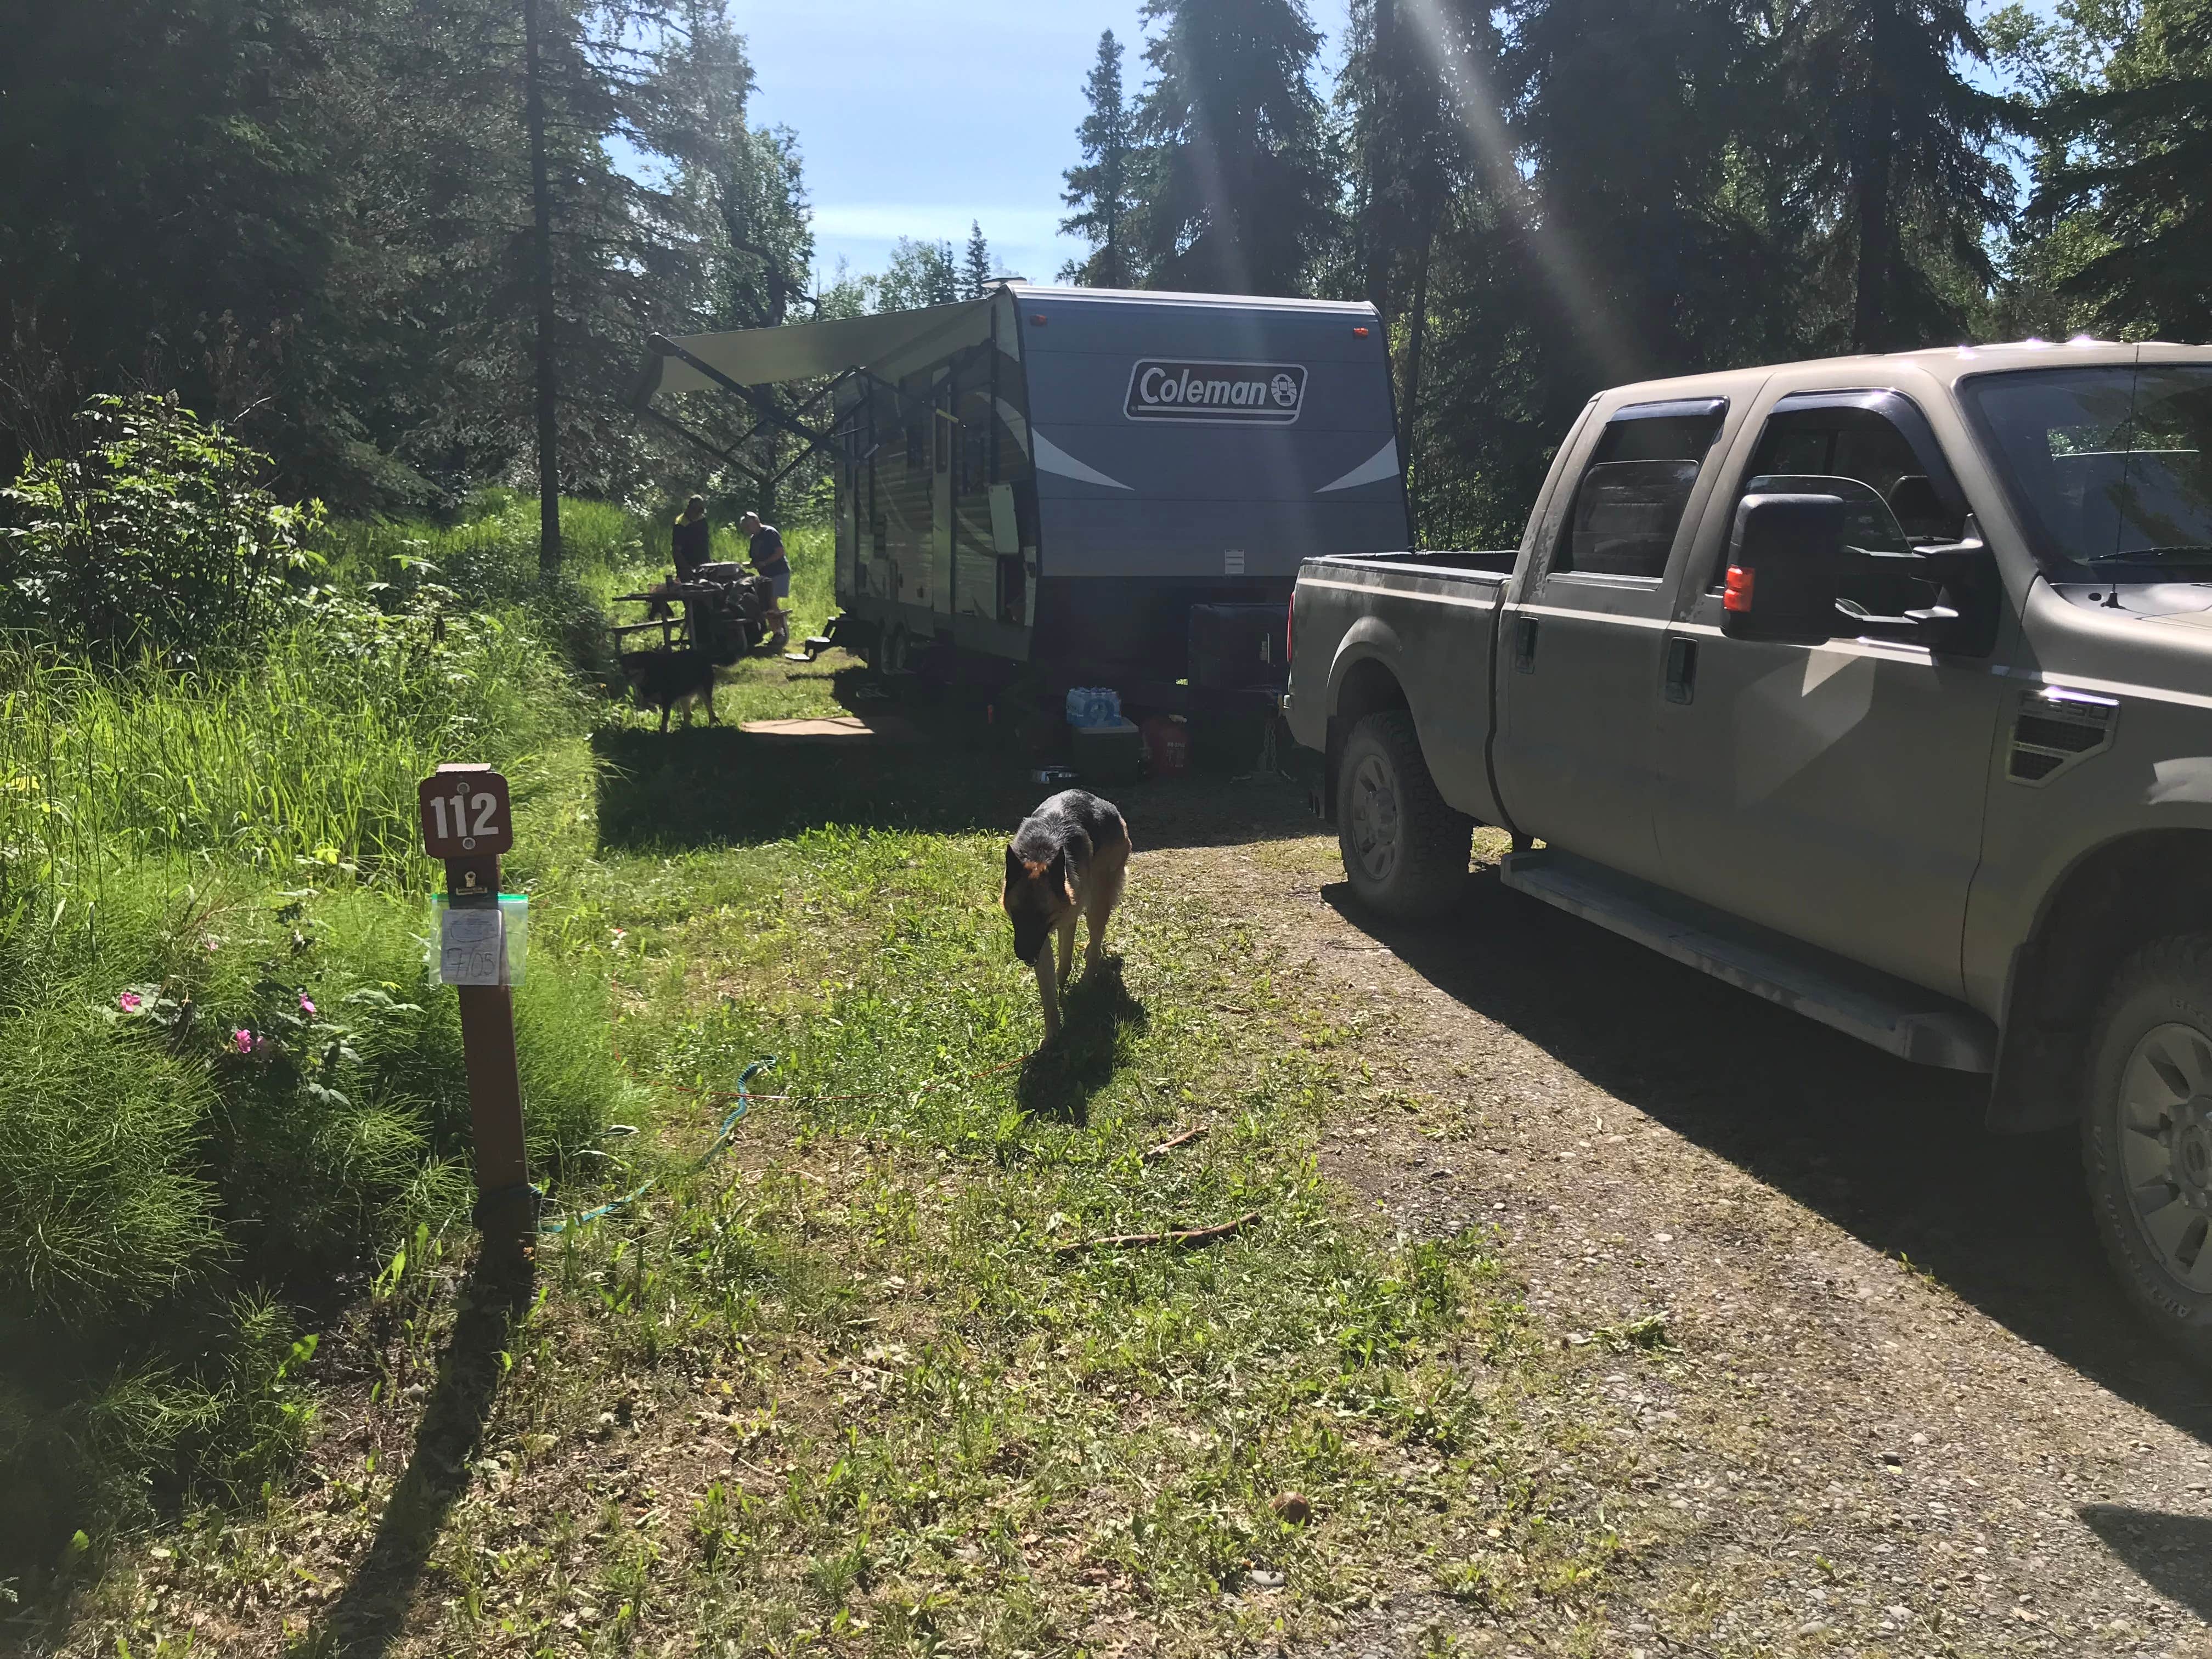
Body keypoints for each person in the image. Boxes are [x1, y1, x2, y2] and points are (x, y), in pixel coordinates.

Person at [740, 510, 791, 648]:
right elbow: (757, 558)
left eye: (749, 527)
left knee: (771, 601)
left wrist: (766, 563)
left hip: (778, 572)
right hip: (765, 576)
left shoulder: (770, 533)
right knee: (766, 604)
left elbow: (780, 552)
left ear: (756, 522)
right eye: (745, 528)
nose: (748, 530)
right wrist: (751, 564)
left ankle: (780, 634)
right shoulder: (754, 538)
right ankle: (776, 633)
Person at [671, 495, 710, 582]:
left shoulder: (702, 521)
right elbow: (676, 551)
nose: (699, 513)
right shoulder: (681, 525)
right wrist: (685, 568)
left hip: (704, 564)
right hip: (688, 565)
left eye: (701, 510)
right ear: (690, 509)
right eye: (697, 510)